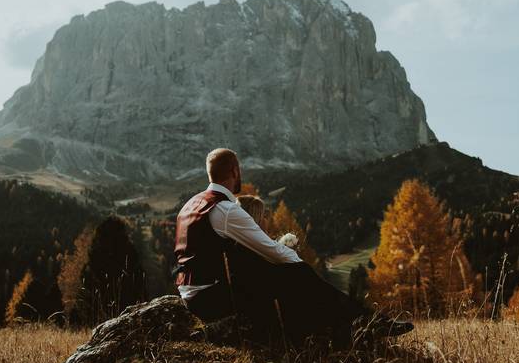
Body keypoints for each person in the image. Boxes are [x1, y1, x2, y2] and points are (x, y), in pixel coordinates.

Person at [173, 147, 412, 345]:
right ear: (235, 171)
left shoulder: (191, 205)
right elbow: (271, 250)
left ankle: (359, 327)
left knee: (284, 280)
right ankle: (368, 324)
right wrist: (301, 267)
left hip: (191, 294)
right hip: (212, 298)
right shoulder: (225, 210)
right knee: (297, 273)